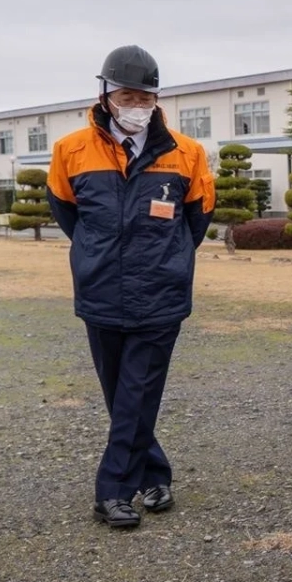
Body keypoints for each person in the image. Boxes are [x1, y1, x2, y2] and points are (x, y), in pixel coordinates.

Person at [46, 45, 215, 529]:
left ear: (156, 99)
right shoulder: (70, 150)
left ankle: (113, 490)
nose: (136, 104)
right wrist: (99, 254)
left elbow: (197, 218)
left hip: (161, 293)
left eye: (145, 96)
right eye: (126, 95)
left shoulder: (187, 153)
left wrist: (169, 259)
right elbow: (68, 214)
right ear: (104, 95)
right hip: (100, 290)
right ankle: (154, 473)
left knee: (137, 389)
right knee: (122, 392)